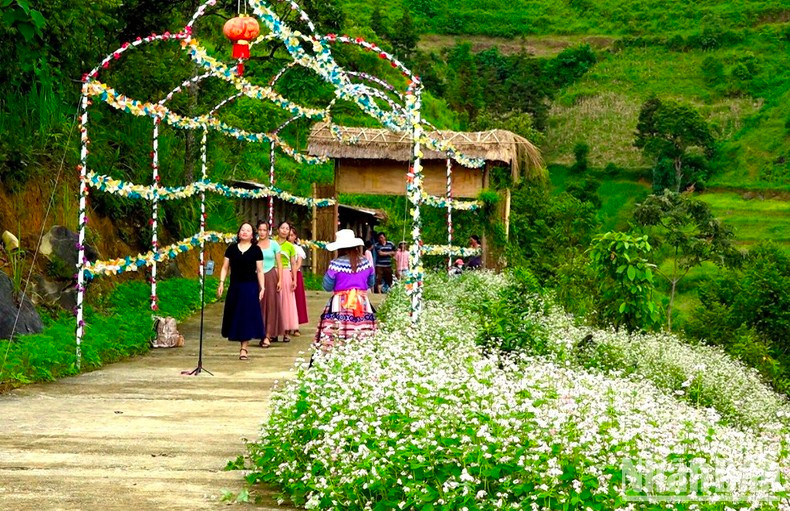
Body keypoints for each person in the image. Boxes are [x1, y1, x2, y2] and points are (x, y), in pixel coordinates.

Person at [314, 229, 376, 351]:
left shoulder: (335, 264)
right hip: (361, 303)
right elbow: (371, 283)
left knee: (336, 333)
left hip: (340, 303)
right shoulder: (366, 263)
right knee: (362, 332)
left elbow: (327, 286)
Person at [218, 222, 265, 360]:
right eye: (242, 230)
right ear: (239, 233)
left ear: (252, 235)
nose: (245, 232)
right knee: (235, 314)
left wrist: (262, 287)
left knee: (247, 316)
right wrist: (221, 283)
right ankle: (238, 338)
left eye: (248, 230)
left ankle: (244, 348)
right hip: (235, 286)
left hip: (250, 287)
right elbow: (225, 267)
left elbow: (260, 271)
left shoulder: (256, 250)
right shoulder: (231, 249)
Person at [256, 221, 283, 348]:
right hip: (256, 276)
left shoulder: (274, 244)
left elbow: (280, 263)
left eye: (264, 230)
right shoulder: (254, 245)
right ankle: (260, 333)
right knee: (259, 305)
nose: (262, 232)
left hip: (271, 275)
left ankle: (268, 335)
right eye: (260, 230)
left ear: (268, 231)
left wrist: (280, 280)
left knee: (271, 305)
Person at [275, 220, 299, 342]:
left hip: (285, 273)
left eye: (287, 229)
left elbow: (293, 264)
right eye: (282, 228)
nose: (284, 231)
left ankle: (286, 331)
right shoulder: (272, 243)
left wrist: (294, 279)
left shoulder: (290, 247)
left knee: (286, 302)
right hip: (273, 272)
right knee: (274, 301)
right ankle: (273, 331)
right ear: (278, 229)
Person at [288, 228, 309, 333]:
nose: (290, 237)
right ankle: (286, 325)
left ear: (295, 236)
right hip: (284, 273)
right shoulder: (281, 247)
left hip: (296, 274)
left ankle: (296, 326)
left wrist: (293, 272)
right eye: (289, 235)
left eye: (292, 235)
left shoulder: (298, 249)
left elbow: (299, 262)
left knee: (298, 299)